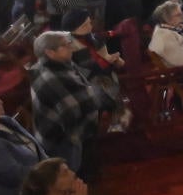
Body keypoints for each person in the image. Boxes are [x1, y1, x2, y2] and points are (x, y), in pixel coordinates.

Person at [26, 33, 116, 178]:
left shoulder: (61, 65)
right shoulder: (49, 77)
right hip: (61, 141)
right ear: (50, 52)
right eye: (66, 45)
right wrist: (104, 97)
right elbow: (78, 108)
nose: (71, 47)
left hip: (69, 130)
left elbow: (86, 89)